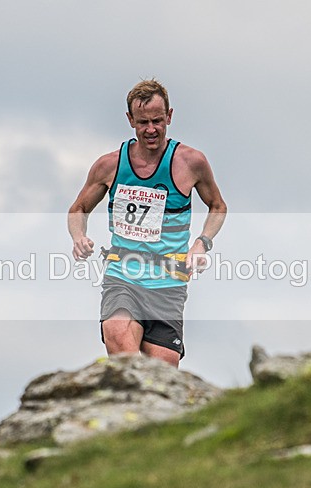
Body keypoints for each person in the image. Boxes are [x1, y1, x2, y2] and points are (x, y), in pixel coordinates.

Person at [68, 79, 227, 368]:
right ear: (130, 120)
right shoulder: (110, 165)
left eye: (157, 121)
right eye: (142, 122)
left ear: (169, 116)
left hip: (168, 283)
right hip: (123, 276)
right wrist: (79, 237)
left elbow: (218, 206)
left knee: (162, 378)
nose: (151, 129)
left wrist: (201, 244)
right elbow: (78, 209)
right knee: (121, 345)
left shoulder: (191, 162)